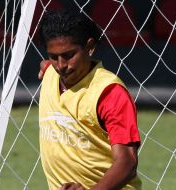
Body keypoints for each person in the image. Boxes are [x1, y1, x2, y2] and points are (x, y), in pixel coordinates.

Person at [38, 9, 141, 190]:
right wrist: (46, 64)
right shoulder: (50, 73)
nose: (61, 65)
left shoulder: (109, 93)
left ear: (90, 46)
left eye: (69, 55)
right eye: (53, 57)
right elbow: (47, 65)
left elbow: (127, 161)